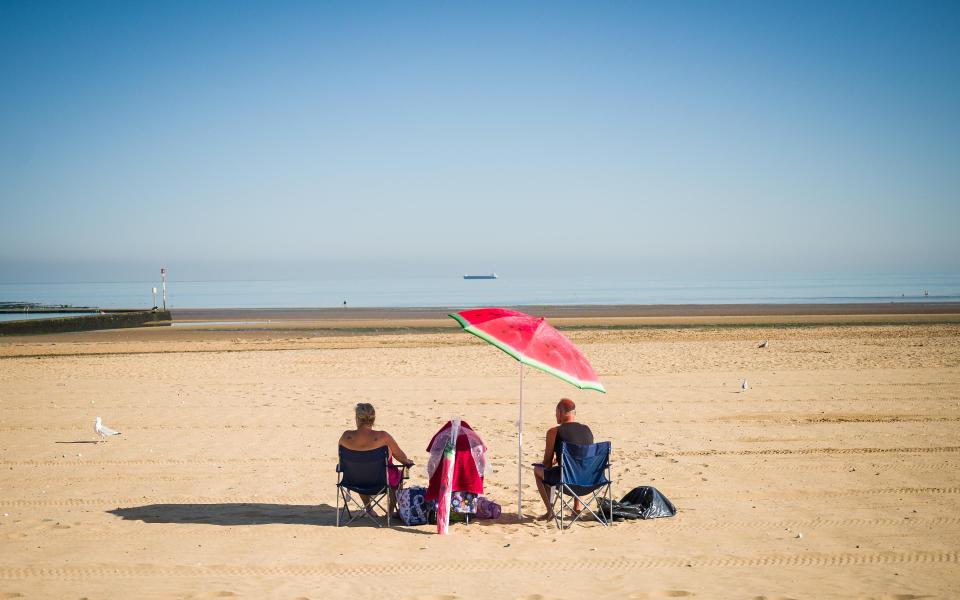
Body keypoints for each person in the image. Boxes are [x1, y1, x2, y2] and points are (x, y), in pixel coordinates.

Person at [338, 402, 413, 516]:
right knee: (397, 473)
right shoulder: (383, 437)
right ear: (373, 419)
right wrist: (407, 462)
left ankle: (369, 509)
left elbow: (341, 462)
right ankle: (390, 512)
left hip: (354, 481)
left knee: (360, 469)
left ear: (357, 418)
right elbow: (402, 458)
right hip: (381, 482)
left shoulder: (345, 437)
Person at [533, 398, 594, 521]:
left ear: (560, 413)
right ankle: (577, 509)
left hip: (567, 481)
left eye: (556, 413)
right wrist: (561, 459)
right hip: (590, 481)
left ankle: (550, 511)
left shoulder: (554, 432)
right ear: (573, 414)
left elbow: (547, 463)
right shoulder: (587, 429)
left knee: (538, 470)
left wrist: (551, 461)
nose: (556, 416)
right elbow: (585, 456)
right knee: (578, 466)